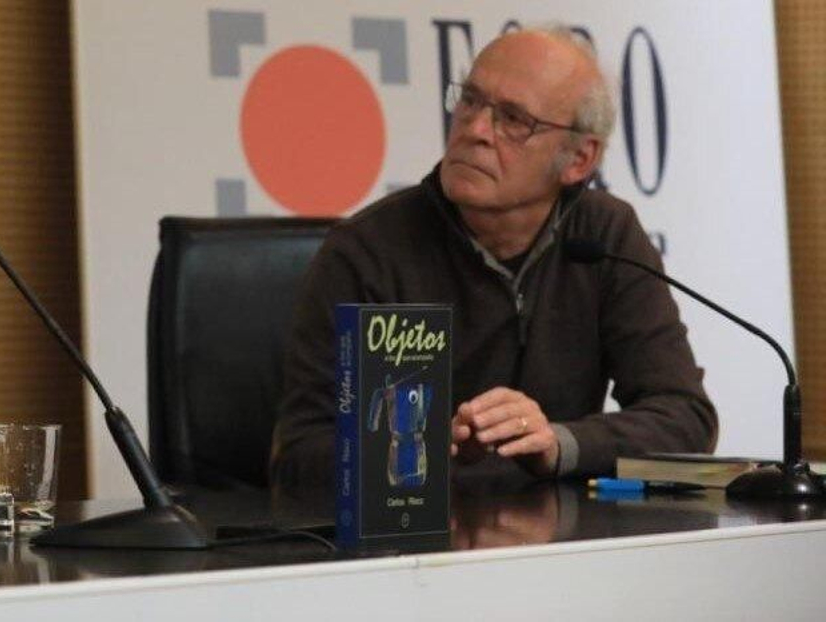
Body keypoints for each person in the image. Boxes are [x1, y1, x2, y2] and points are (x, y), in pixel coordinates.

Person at [271, 27, 716, 491]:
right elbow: (299, 458)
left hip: (563, 544)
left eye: (513, 119)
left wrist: (557, 444)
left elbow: (684, 416)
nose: (476, 130)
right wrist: (415, 450)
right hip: (416, 548)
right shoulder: (366, 252)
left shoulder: (604, 236)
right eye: (470, 101)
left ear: (579, 160)